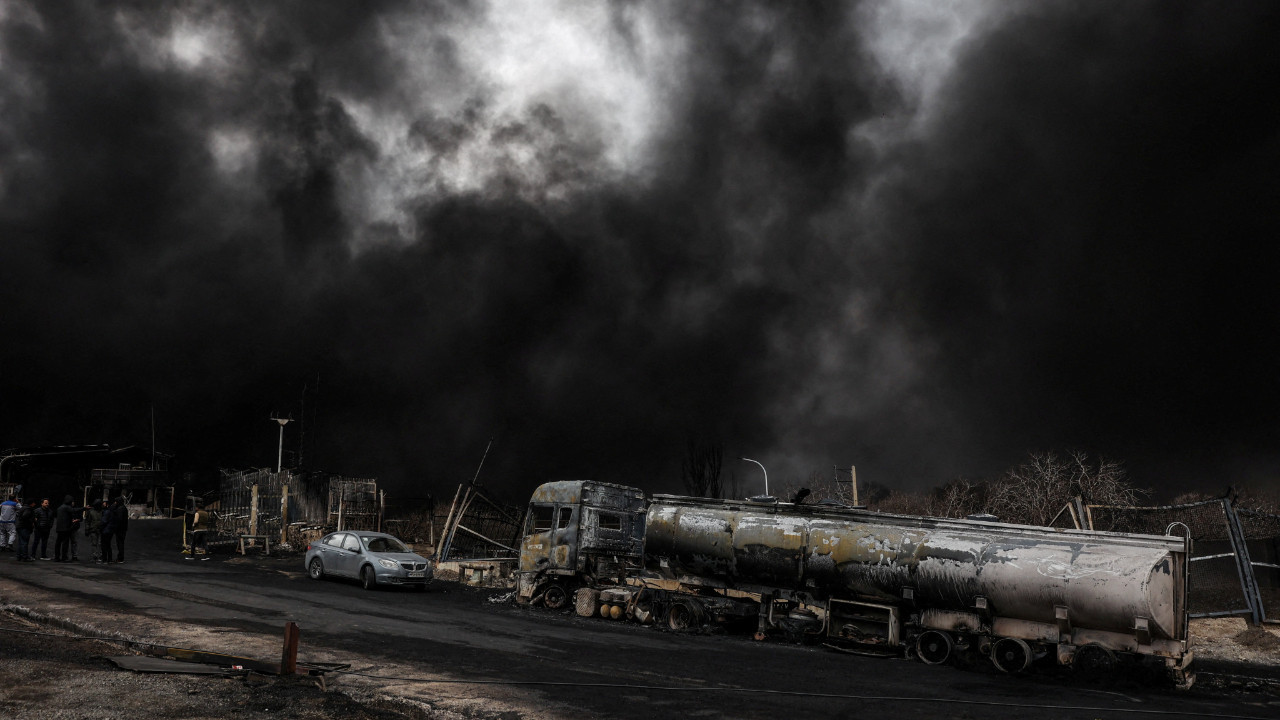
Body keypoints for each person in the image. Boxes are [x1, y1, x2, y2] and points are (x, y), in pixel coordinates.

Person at [54, 496, 75, 562]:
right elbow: (74, 510)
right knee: (65, 543)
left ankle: (57, 557)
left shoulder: (60, 507)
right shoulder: (67, 507)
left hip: (59, 528)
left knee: (58, 543)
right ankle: (64, 557)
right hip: (65, 529)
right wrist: (84, 508)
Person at [111, 498, 129, 563]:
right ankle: (120, 558)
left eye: (116, 502)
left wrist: (115, 528)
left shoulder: (120, 509)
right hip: (123, 529)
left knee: (120, 544)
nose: (115, 503)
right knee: (120, 543)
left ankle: (120, 558)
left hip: (120, 529)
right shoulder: (123, 508)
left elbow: (119, 519)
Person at [100, 499, 116, 564]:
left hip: (105, 531)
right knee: (108, 545)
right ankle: (109, 559)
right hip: (110, 531)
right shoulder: (111, 511)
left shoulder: (106, 512)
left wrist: (100, 527)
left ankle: (105, 559)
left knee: (104, 545)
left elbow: (104, 521)